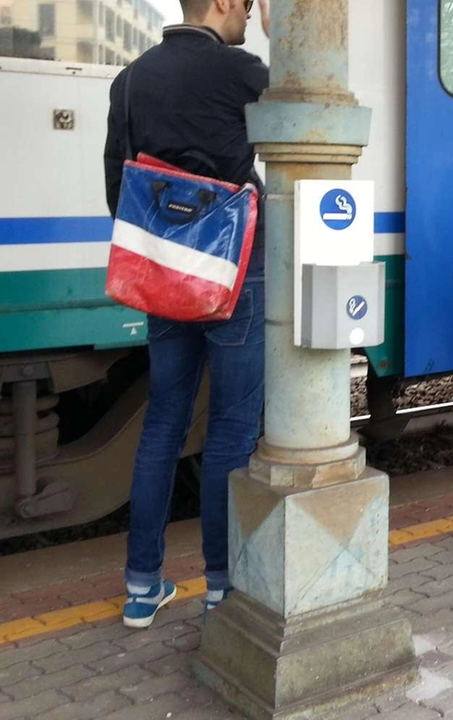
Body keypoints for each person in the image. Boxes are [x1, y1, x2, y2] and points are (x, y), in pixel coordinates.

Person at [103, 0, 271, 629]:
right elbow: (302, 136)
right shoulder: (243, 73)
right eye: (250, 5)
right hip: (235, 269)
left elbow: (115, 180)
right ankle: (222, 585)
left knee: (163, 423)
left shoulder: (132, 77)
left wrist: (160, 242)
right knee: (230, 427)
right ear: (225, 3)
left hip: (163, 270)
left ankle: (143, 587)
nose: (251, 16)